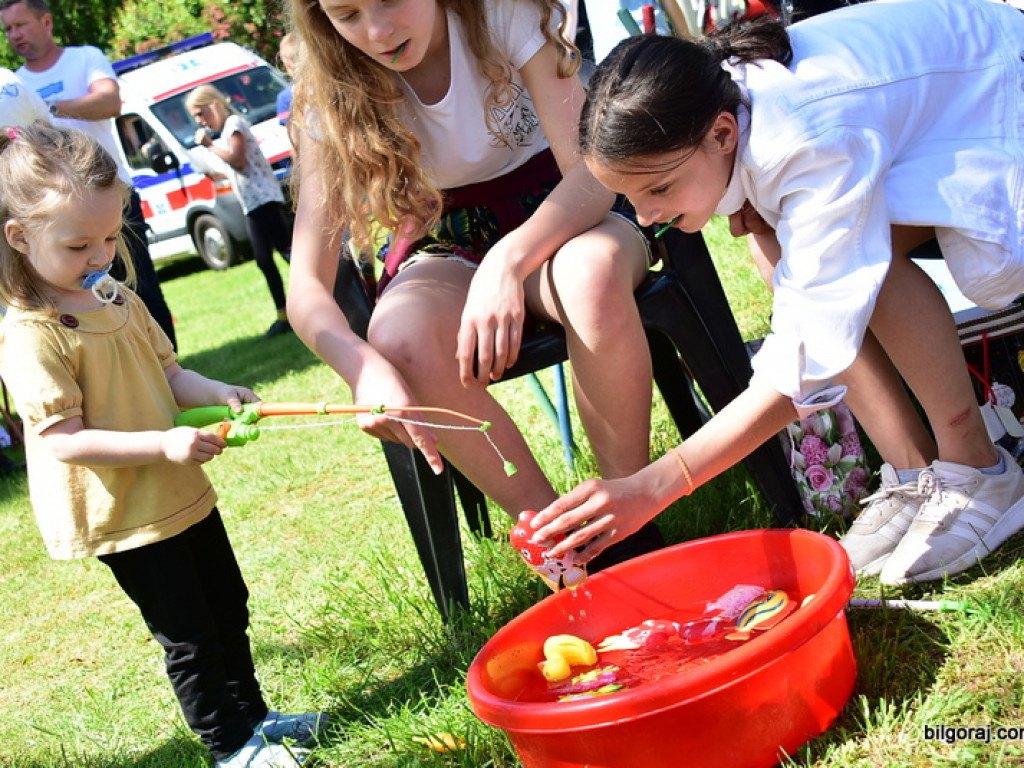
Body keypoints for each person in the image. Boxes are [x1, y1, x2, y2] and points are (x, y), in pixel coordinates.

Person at [530, 0, 1024, 586]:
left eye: (659, 188)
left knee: (840, 268)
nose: (646, 215)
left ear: (722, 133)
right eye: (631, 197)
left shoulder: (803, 140)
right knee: (783, 252)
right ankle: (917, 472)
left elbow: (804, 360)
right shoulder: (722, 104)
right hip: (957, 98)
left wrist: (655, 485)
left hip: (1003, 93)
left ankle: (976, 468)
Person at [286, 0, 664, 571]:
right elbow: (305, 289)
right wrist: (360, 367)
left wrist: (505, 265)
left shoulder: (501, 12)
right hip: (450, 229)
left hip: (568, 204)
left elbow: (591, 175)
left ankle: (628, 522)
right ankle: (569, 550)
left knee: (589, 276)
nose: (378, 30)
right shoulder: (327, 85)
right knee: (399, 337)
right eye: (348, 14)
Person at [0, 122, 326, 768]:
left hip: (177, 488)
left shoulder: (117, 297)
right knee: (189, 633)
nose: (100, 255)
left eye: (110, 236)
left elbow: (170, 374)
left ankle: (254, 719)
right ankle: (229, 747)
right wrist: (165, 444)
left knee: (227, 605)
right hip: (127, 511)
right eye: (77, 245)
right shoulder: (33, 334)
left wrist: (220, 390)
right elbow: (64, 440)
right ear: (19, 238)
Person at [0, 0, 178, 350]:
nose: (14, 35)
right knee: (72, 303)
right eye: (8, 29)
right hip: (53, 213)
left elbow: (110, 102)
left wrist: (49, 108)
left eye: (21, 25)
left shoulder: (84, 59)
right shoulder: (14, 81)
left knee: (138, 289)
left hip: (109, 197)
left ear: (46, 21)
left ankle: (165, 366)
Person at [186, 85, 293, 338]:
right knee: (267, 259)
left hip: (264, 198)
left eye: (201, 113)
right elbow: (235, 167)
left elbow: (238, 160)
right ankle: (285, 313)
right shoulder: (225, 130)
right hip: (252, 201)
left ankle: (318, 298)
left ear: (214, 104)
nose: (200, 121)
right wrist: (213, 172)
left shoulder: (234, 124)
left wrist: (210, 145)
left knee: (284, 254)